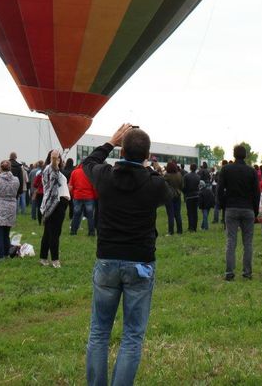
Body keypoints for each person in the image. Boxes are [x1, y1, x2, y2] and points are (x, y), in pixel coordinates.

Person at [82, 123, 171, 386]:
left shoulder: (105, 176)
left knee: (99, 332)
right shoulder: (153, 184)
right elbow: (168, 192)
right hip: (140, 264)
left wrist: (110, 141)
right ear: (147, 155)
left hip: (108, 260)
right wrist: (149, 166)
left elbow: (88, 162)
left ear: (121, 149)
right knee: (132, 336)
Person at [218, 144, 259, 279]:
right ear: (246, 155)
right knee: (248, 242)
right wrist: (255, 210)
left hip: (231, 207)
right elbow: (256, 193)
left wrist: (223, 205)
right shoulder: (251, 171)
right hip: (248, 208)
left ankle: (229, 273)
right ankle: (247, 273)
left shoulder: (226, 169)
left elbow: (220, 190)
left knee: (231, 241)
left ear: (234, 154)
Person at [39, 150, 70, 268]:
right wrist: (54, 158)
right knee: (54, 233)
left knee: (48, 232)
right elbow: (54, 168)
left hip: (59, 204)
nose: (58, 160)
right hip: (54, 205)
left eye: (59, 158)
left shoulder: (57, 171)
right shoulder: (50, 169)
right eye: (57, 158)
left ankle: (43, 258)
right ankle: (55, 260)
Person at [69, 162, 98, 237]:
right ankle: (91, 232)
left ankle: (73, 231)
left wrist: (73, 194)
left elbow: (71, 185)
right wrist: (95, 196)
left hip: (77, 196)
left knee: (76, 214)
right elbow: (94, 186)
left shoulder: (74, 172)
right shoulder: (91, 172)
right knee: (90, 216)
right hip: (89, 196)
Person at [162, 162, 183, 236]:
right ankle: (180, 231)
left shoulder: (166, 175)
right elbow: (181, 185)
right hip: (178, 195)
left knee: (170, 214)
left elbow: (163, 186)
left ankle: (171, 232)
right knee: (178, 214)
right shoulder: (179, 175)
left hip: (169, 196)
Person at [182, 164, 201, 232]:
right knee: (195, 212)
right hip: (196, 195)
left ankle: (190, 227)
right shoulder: (198, 176)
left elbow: (184, 187)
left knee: (190, 212)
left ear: (190, 168)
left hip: (189, 196)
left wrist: (185, 193)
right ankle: (194, 227)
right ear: (196, 168)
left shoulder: (186, 176)